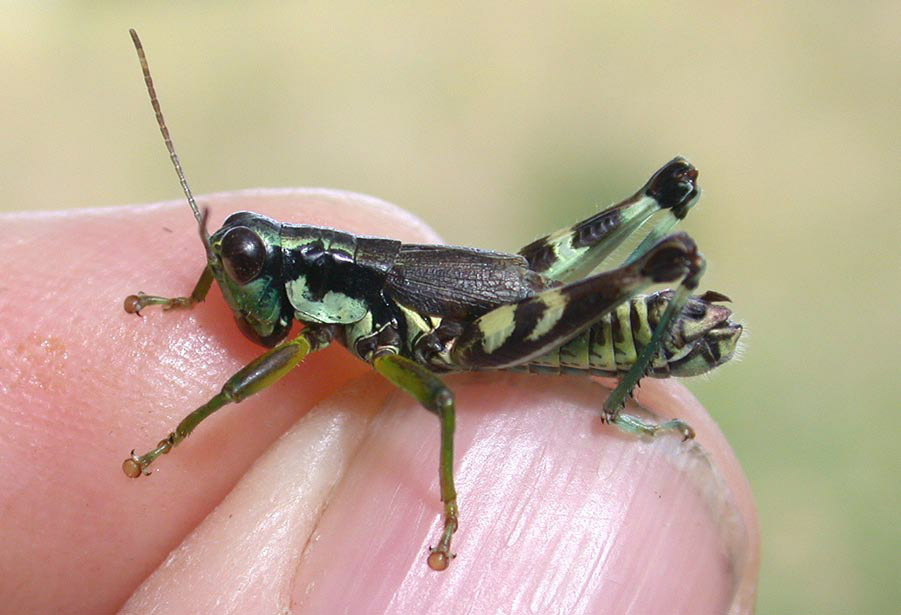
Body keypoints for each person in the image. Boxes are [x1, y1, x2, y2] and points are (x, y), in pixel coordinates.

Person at [0, 190, 759, 614]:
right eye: (231, 261)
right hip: (493, 305)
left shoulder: (357, 319)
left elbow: (443, 399)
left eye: (238, 264)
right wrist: (186, 295)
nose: (233, 275)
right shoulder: (314, 306)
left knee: (439, 394)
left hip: (501, 328)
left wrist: (450, 517)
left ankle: (620, 393)